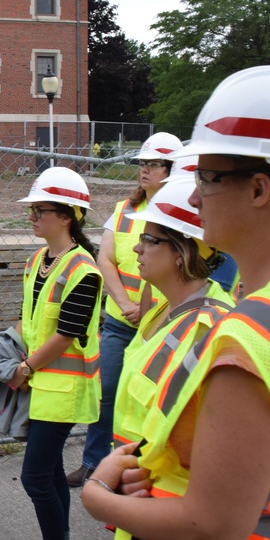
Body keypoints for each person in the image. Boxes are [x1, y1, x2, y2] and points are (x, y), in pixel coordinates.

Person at [81, 65, 270, 540]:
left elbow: (211, 530)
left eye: (206, 178)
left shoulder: (256, 336)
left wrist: (99, 494)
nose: (190, 196)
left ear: (258, 190)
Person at [67, 132, 180, 487]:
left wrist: (147, 312)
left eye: (154, 164)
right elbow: (106, 258)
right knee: (108, 392)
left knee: (151, 401)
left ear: (173, 169)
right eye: (142, 164)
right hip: (121, 321)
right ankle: (94, 464)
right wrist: (126, 304)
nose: (145, 170)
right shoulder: (125, 210)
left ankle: (139, 471)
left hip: (162, 326)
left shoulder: (182, 215)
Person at [7, 166, 103, 540]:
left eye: (39, 210)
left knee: (35, 478)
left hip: (62, 389)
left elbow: (65, 335)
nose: (31, 217)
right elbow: (31, 320)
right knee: (47, 473)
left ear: (67, 216)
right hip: (43, 382)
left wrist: (25, 368)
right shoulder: (39, 260)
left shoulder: (84, 271)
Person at [111, 176, 234, 454]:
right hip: (132, 473)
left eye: (149, 240)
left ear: (183, 253)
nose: (136, 247)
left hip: (153, 483)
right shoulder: (166, 309)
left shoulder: (206, 329)